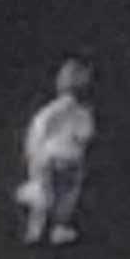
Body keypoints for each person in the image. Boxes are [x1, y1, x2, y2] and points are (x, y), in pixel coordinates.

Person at [16, 61, 93, 246]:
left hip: (46, 158)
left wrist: (33, 159)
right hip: (70, 159)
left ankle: (35, 229)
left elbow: (35, 135)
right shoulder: (81, 113)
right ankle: (59, 228)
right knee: (66, 196)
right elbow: (84, 135)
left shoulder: (47, 111)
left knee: (44, 194)